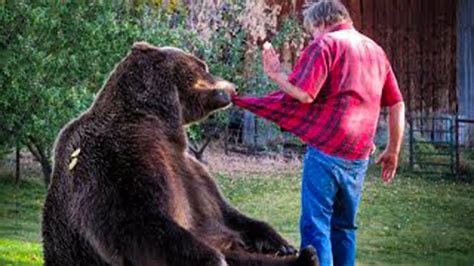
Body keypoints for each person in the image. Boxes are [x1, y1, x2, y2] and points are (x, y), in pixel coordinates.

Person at [231, 0, 405, 265]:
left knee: (316, 227)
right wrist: (393, 149)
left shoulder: (326, 44)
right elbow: (397, 102)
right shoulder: (376, 51)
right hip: (358, 157)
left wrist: (277, 74)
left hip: (327, 152)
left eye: (312, 29)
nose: (312, 36)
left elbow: (305, 94)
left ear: (322, 22)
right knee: (345, 227)